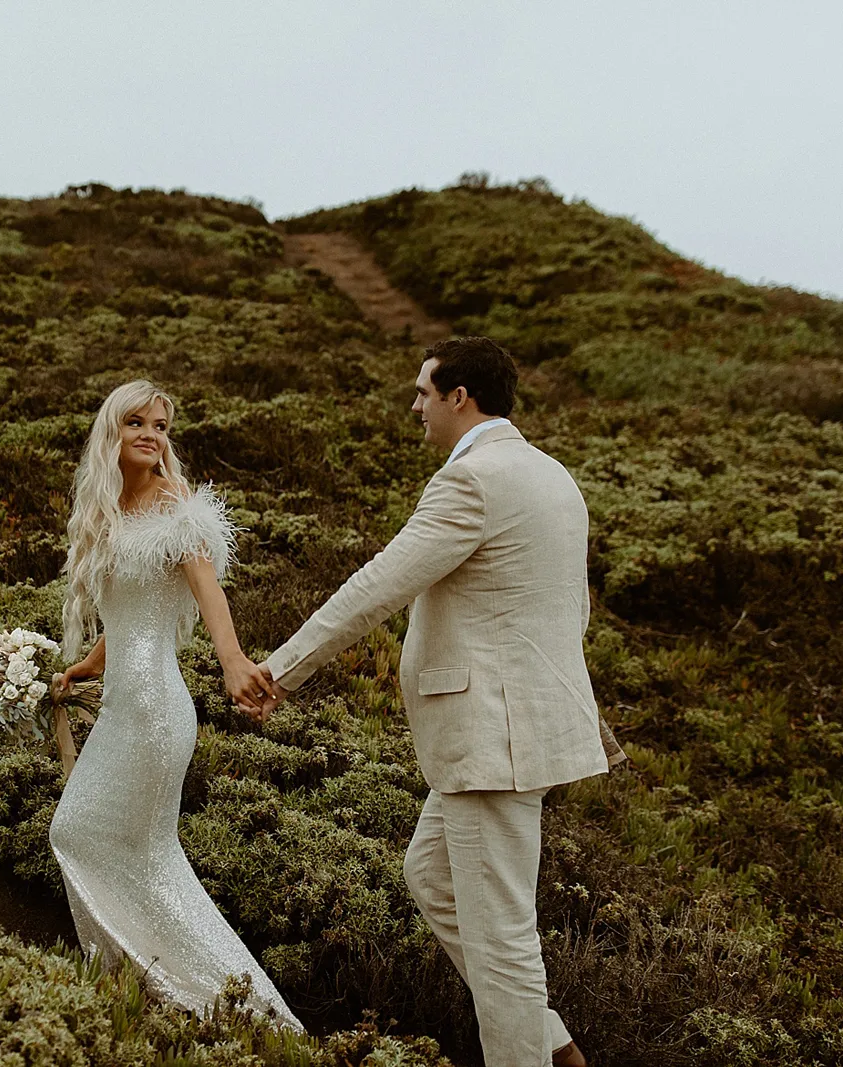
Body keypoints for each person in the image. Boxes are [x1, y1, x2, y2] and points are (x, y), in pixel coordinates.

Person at [251, 337, 624, 1067]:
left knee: (503, 935)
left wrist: (281, 669)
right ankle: (552, 1043)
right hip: (520, 731)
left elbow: (380, 584)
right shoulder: (553, 476)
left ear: (461, 397)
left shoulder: (472, 482)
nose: (414, 406)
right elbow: (568, 611)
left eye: (423, 391)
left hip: (494, 738)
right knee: (430, 876)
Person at [47, 379, 303, 1030]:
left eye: (160, 425)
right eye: (136, 421)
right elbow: (130, 610)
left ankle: (226, 1008)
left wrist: (233, 660)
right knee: (91, 838)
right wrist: (86, 664)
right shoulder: (107, 509)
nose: (150, 434)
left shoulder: (174, 500)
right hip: (121, 706)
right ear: (113, 429)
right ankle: (150, 991)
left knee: (128, 849)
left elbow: (204, 590)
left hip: (158, 711)